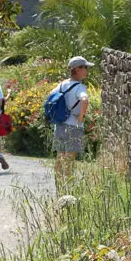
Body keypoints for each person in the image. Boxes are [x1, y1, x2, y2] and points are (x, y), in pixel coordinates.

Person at [51, 56, 93, 191]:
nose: (87, 70)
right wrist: (81, 117)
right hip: (74, 127)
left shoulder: (62, 84)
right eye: (85, 67)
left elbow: (51, 96)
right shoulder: (80, 87)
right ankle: (67, 189)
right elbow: (84, 100)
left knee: (60, 157)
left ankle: (59, 188)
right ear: (77, 70)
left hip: (60, 125)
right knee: (69, 160)